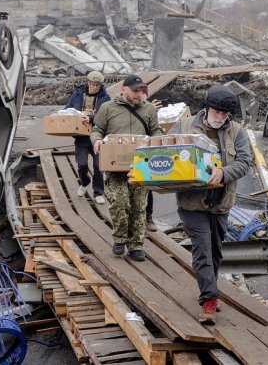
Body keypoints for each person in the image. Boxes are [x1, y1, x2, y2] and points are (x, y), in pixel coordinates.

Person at [170, 85, 251, 325]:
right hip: (191, 204)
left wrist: (224, 173)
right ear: (206, 108)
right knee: (202, 249)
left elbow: (245, 162)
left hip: (221, 204)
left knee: (215, 251)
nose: (220, 118)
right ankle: (209, 299)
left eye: (225, 114)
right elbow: (162, 150)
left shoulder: (237, 132)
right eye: (216, 112)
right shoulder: (184, 126)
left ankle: (210, 288)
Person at [91, 74, 162, 261]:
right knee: (120, 203)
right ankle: (120, 238)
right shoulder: (107, 108)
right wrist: (97, 140)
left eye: (141, 91)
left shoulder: (148, 110)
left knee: (139, 207)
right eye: (135, 91)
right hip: (115, 166)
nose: (140, 94)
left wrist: (156, 141)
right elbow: (97, 129)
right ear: (124, 90)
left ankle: (136, 245)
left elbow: (156, 131)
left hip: (140, 166)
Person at [65, 71, 110, 204]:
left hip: (98, 136)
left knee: (98, 165)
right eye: (92, 84)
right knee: (82, 164)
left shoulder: (105, 98)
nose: (94, 87)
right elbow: (68, 108)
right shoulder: (78, 93)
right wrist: (61, 115)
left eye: (97, 85)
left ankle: (98, 192)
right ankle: (84, 182)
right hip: (81, 137)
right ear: (87, 82)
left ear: (100, 85)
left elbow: (106, 116)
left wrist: (91, 117)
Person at [140, 85, 163, 233]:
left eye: (143, 95)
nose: (140, 97)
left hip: (146, 153)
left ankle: (148, 217)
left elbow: (156, 129)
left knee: (147, 187)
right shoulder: (126, 109)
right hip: (130, 152)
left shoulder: (149, 110)